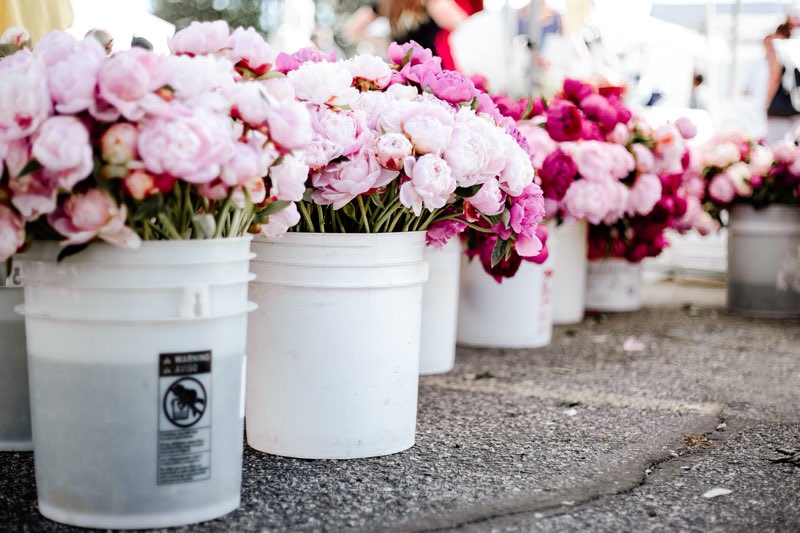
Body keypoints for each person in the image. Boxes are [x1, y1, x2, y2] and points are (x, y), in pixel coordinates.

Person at [345, 0, 481, 70]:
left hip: (404, 72)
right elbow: (461, 23)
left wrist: (387, 44)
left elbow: (353, 29)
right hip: (433, 72)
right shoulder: (428, 2)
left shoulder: (385, 5)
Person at [764, 16, 800, 143]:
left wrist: (766, 102)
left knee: (777, 146)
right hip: (795, 106)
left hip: (780, 107)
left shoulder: (776, 47)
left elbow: (775, 75)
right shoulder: (796, 48)